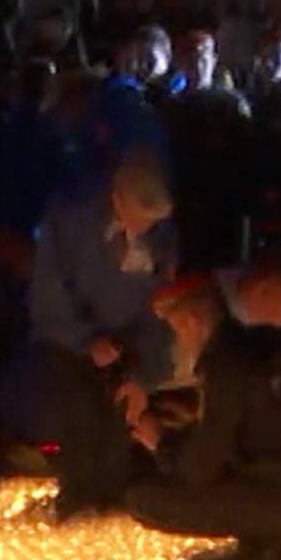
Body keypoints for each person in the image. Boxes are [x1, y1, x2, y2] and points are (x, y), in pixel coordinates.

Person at [122, 261, 281, 560]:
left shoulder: (224, 362)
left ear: (192, 321)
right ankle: (273, 535)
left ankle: (273, 535)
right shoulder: (262, 342)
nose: (180, 341)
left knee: (143, 498)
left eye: (176, 329)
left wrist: (159, 442)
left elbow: (201, 466)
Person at [24, 155, 176, 513]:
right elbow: (48, 294)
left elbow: (161, 304)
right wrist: (86, 340)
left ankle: (114, 493)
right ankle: (79, 493)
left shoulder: (162, 236)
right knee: (77, 405)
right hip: (70, 340)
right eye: (138, 219)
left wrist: (143, 371)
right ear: (116, 200)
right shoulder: (69, 223)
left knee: (120, 410)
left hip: (130, 343)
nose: (143, 229)